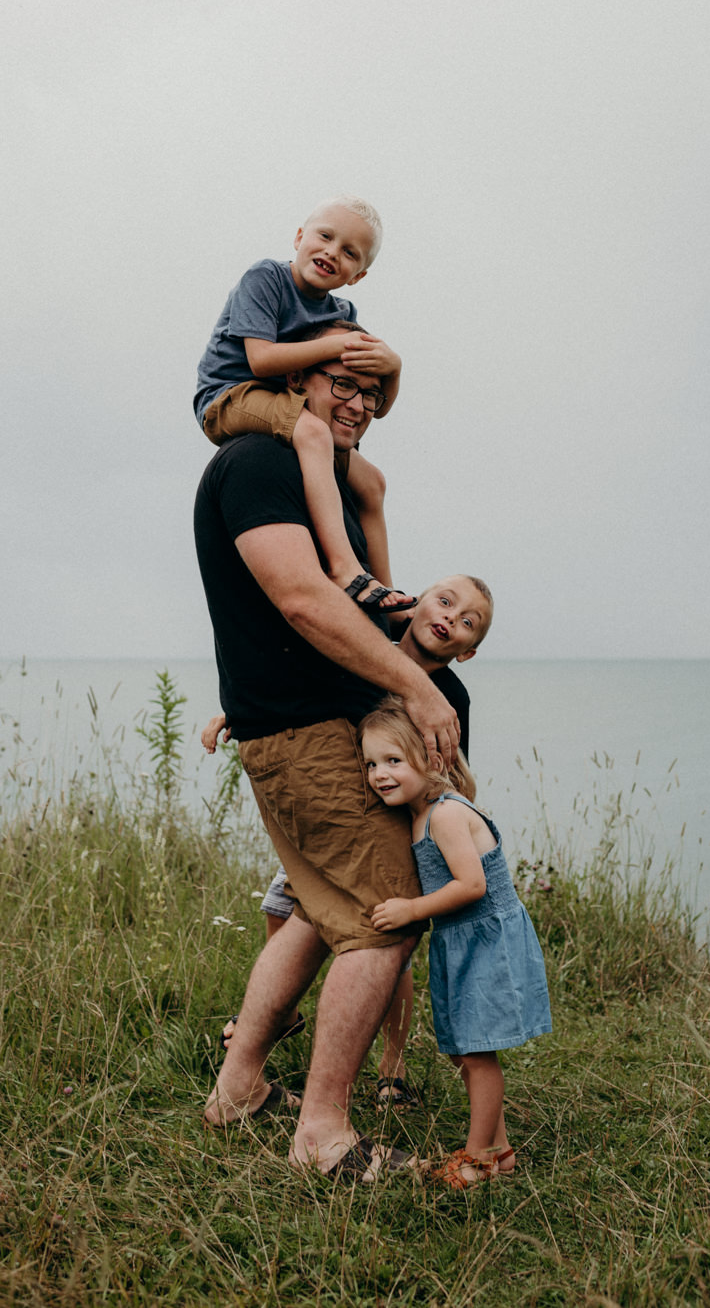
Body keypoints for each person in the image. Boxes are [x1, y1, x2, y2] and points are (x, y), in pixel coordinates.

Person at [195, 322, 460, 1179]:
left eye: (371, 397)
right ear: (296, 384)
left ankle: (239, 1088)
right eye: (339, 385)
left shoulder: (323, 482)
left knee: (321, 910)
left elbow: (330, 609)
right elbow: (304, 600)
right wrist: (418, 692)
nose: (356, 405)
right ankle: (323, 1135)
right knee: (384, 914)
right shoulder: (261, 464)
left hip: (306, 724)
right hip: (305, 735)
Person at [206, 574, 494, 1103]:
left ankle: (392, 1068)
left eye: (467, 621)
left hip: (391, 824)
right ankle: (281, 1018)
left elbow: (445, 774)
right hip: (334, 812)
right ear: (415, 603)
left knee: (388, 945)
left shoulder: (445, 695)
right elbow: (302, 697)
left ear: (468, 651)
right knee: (285, 909)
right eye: (446, 601)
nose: (451, 617)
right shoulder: (363, 650)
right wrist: (239, 713)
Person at [361, 701, 552, 1189]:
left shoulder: (444, 815)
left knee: (477, 1054)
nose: (379, 774)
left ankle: (478, 1158)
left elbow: (472, 885)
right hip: (461, 942)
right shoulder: (419, 813)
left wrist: (410, 909)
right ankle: (498, 1150)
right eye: (370, 764)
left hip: (485, 940)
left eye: (392, 761)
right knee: (465, 1050)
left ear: (431, 758)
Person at [194, 195, 413, 611]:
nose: (332, 252)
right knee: (314, 432)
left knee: (372, 482)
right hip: (229, 395)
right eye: (325, 236)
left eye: (350, 252)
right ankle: (345, 569)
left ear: (358, 275)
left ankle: (392, 601)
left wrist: (395, 368)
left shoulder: (341, 311)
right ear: (299, 237)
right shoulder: (266, 279)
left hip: (283, 400)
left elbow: (376, 406)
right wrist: (344, 342)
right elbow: (260, 359)